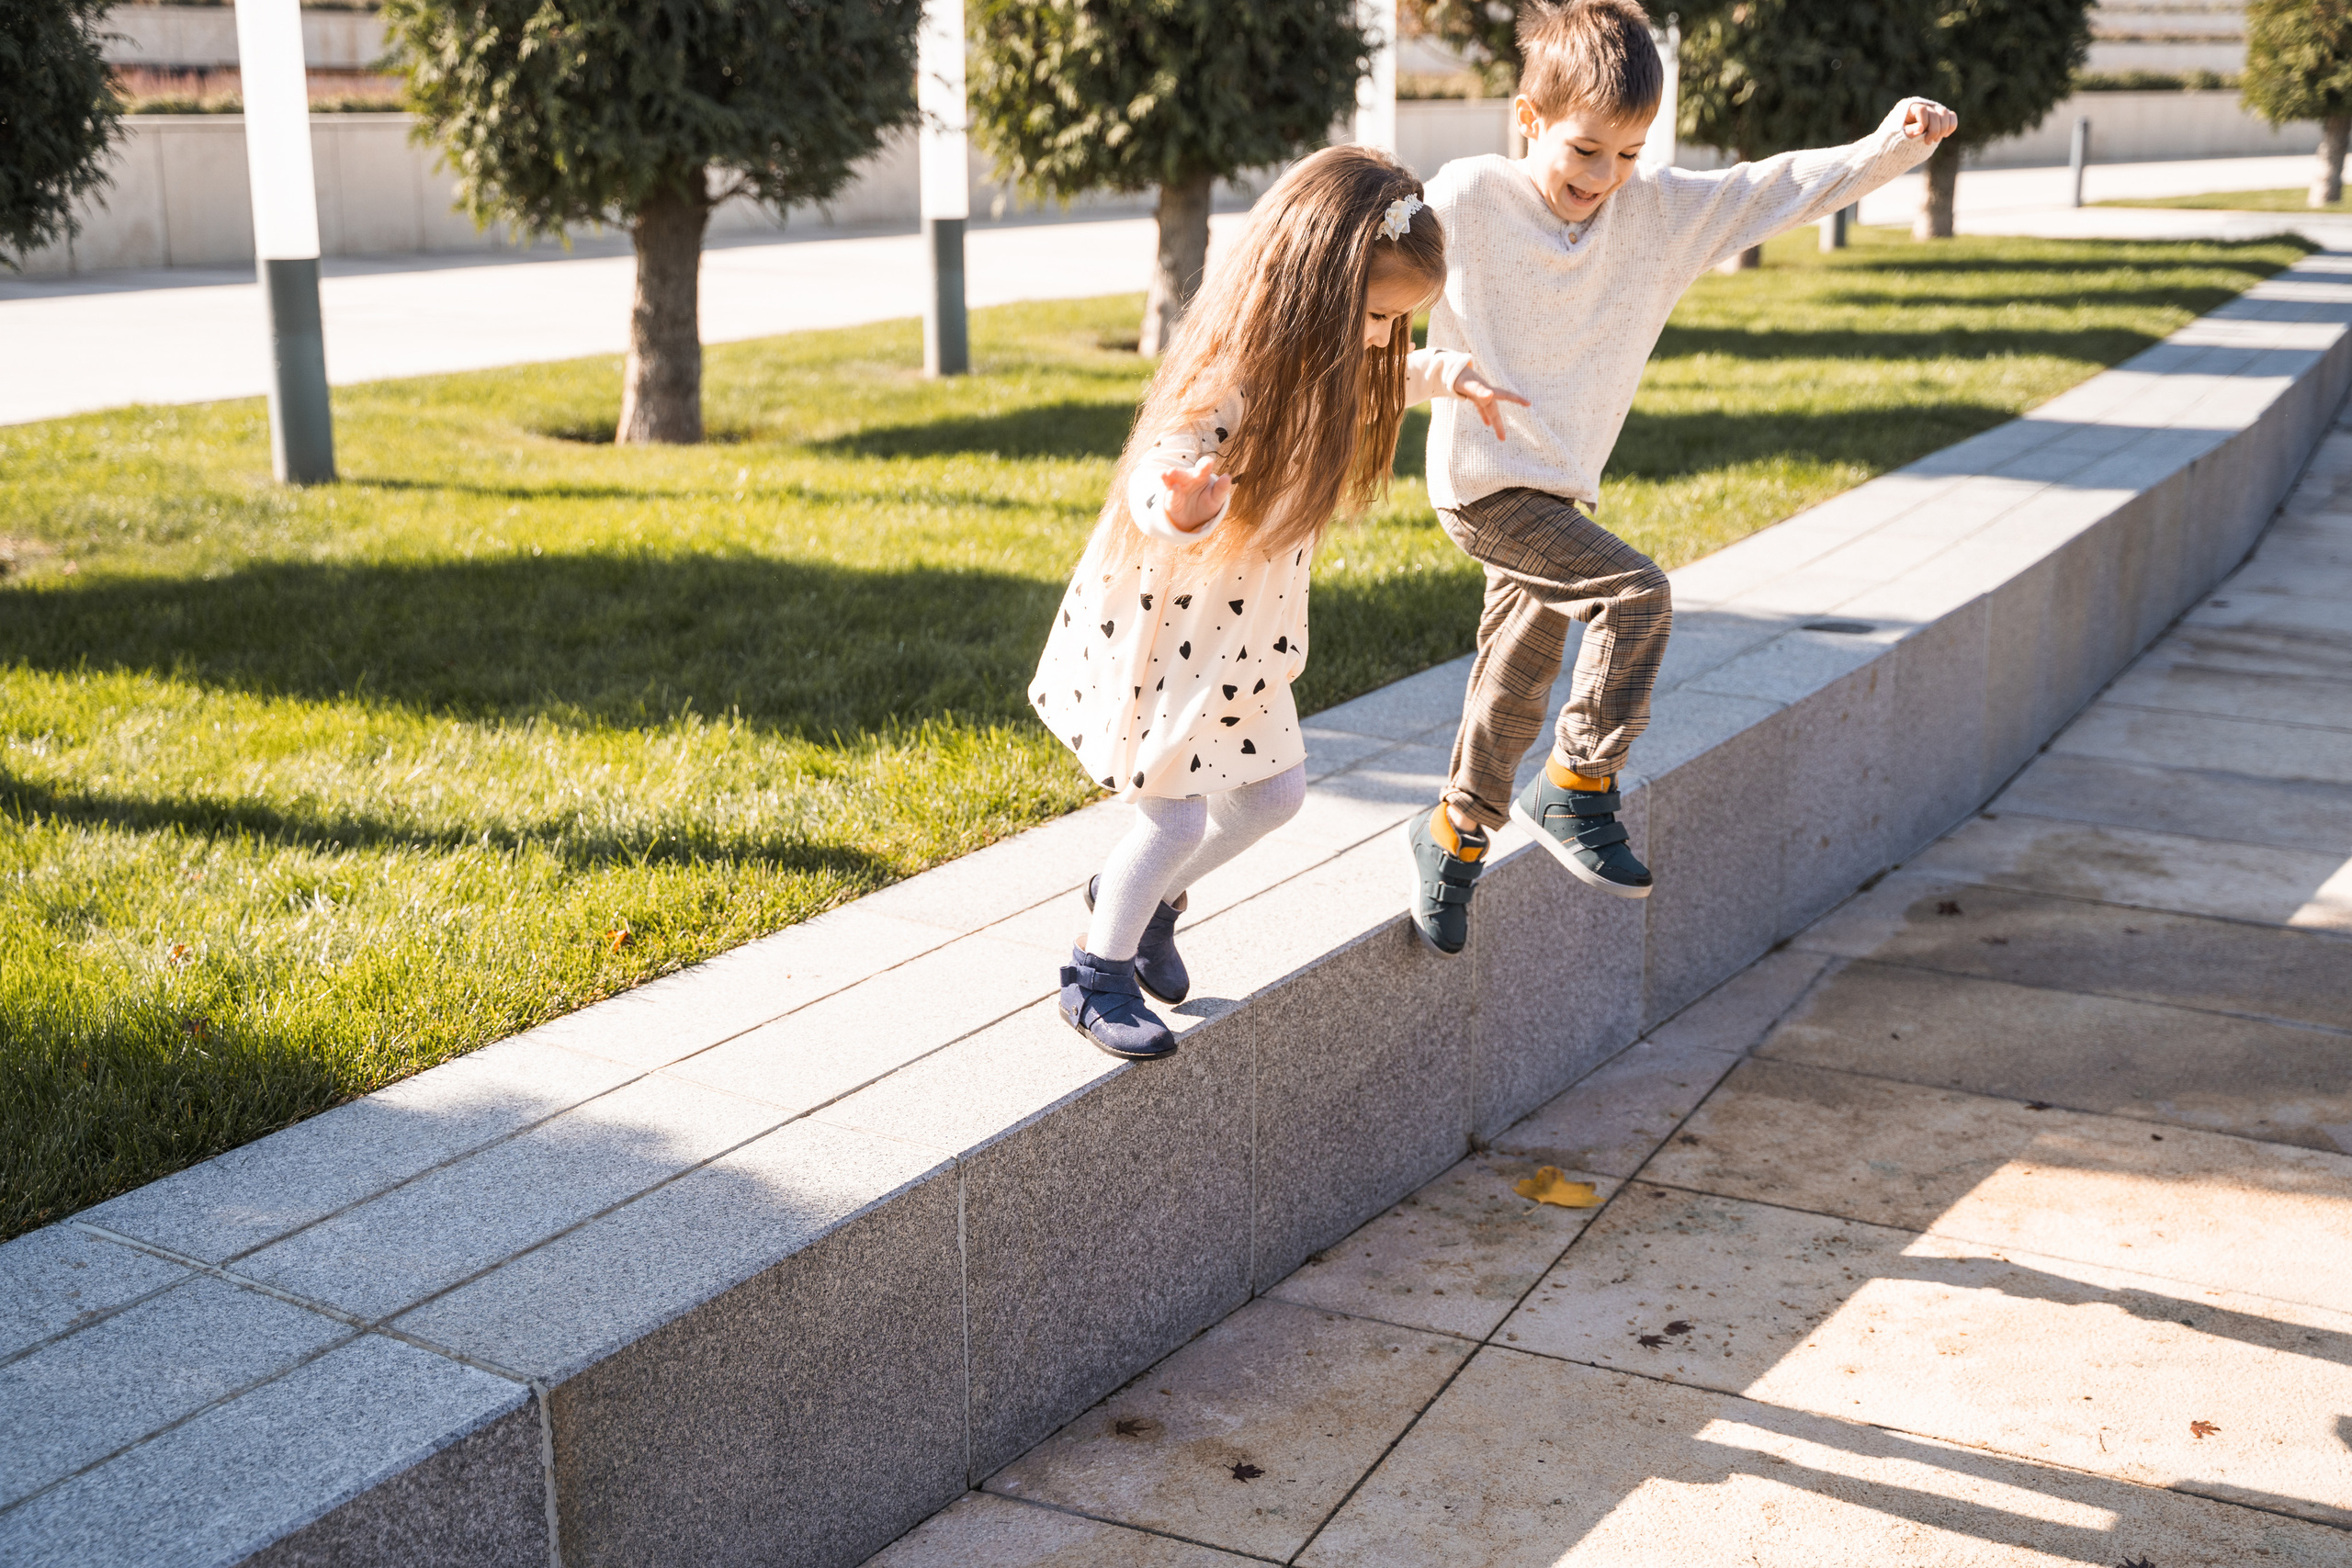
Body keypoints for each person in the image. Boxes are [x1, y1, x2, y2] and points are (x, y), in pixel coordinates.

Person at [1404, 0, 1958, 955]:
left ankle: (1452, 833)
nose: (1603, 178)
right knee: (1637, 595)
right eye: (1584, 152)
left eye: (1627, 154)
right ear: (1527, 121)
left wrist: (1886, 147)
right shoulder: (1464, 197)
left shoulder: (1654, 214)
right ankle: (1576, 785)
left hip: (1559, 489)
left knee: (1514, 678)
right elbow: (1356, 260)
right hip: (1482, 483)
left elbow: (1772, 188)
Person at [1035, 145, 1528, 1058]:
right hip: (1176, 628)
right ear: (1317, 287)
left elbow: (1388, 367)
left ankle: (1143, 904)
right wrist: (1174, 502)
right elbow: (1165, 454)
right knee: (1175, 813)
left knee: (1274, 797)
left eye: (1398, 322)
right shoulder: (1232, 370)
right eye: (1379, 317)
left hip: (1246, 636)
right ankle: (1090, 975)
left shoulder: (1333, 357)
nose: (1387, 338)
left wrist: (1444, 371)